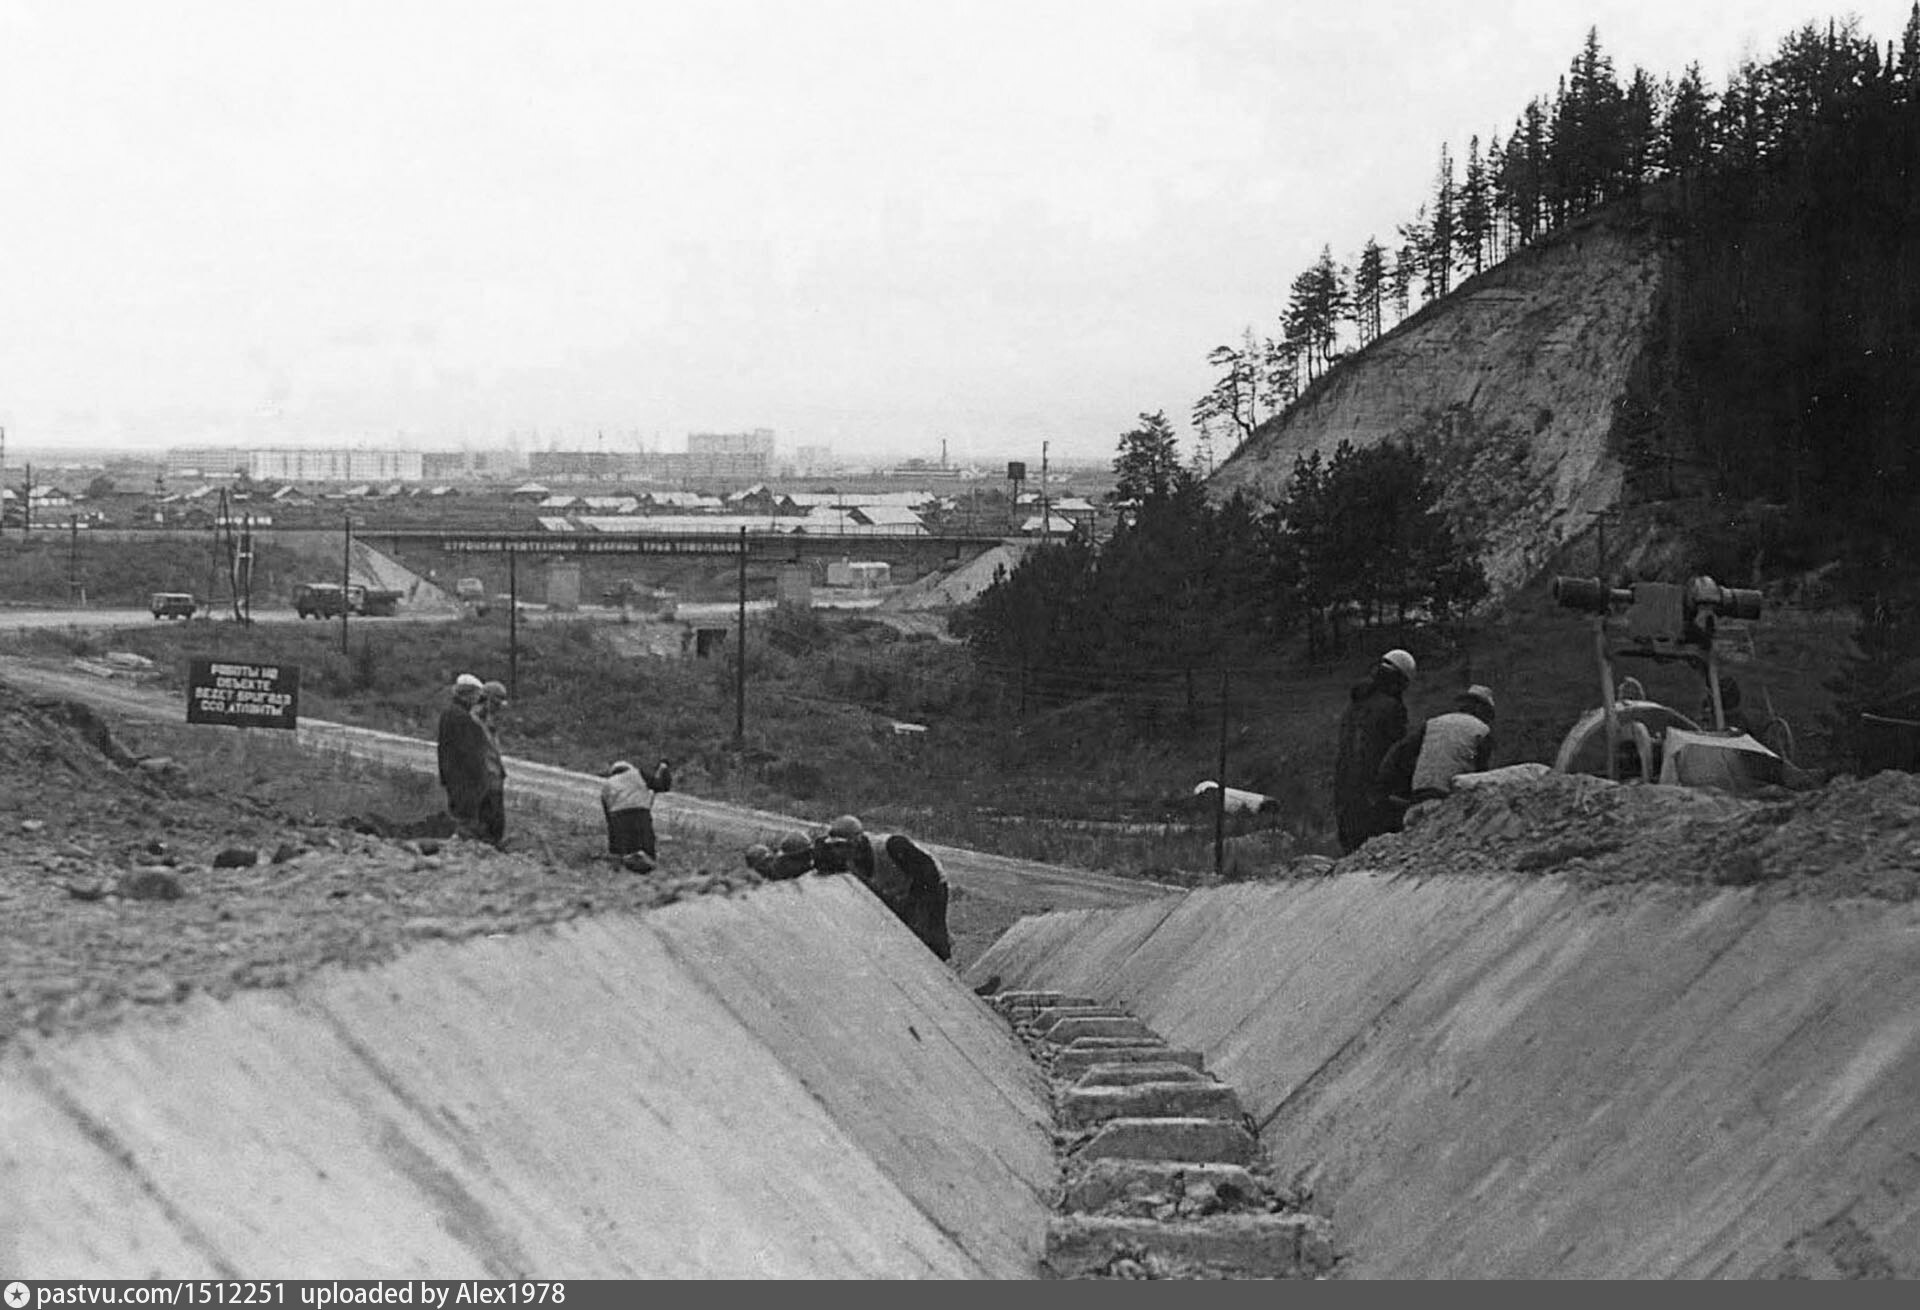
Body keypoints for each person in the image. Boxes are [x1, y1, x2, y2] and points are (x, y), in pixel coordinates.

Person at [814, 815, 952, 961]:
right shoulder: (845, 856)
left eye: (843, 846)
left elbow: (928, 873)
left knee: (925, 936)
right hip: (895, 889)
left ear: (858, 841)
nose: (838, 852)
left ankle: (941, 962)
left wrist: (914, 910)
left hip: (928, 883)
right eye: (834, 847)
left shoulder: (891, 846)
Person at [1332, 649, 1416, 854]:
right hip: (1376, 795)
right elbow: (1397, 754)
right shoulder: (1392, 708)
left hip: (1345, 792)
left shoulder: (1354, 706)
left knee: (1353, 854)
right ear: (1401, 680)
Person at [1378, 685, 1498, 824]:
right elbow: (1481, 775)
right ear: (1482, 709)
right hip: (1447, 800)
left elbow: (1399, 752)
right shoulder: (1482, 731)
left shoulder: (1433, 723)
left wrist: (1385, 788)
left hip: (1418, 796)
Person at [435, 674, 492, 840]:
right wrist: (481, 779)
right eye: (476, 695)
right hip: (465, 780)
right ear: (467, 694)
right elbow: (471, 754)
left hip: (453, 776)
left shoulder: (449, 713)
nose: (478, 699)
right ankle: (460, 848)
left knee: (457, 815)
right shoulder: (463, 719)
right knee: (465, 820)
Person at [600, 758, 672, 860]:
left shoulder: (607, 784)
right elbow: (662, 786)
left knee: (625, 851)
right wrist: (664, 769)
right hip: (640, 813)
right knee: (647, 851)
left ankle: (623, 861)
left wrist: (613, 846)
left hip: (618, 816)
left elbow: (608, 815)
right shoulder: (638, 774)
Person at [473, 679, 511, 847]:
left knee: (497, 822)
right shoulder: (473, 721)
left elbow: (493, 749)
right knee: (487, 821)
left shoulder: (489, 721)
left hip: (494, 777)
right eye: (496, 704)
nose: (497, 710)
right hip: (483, 779)